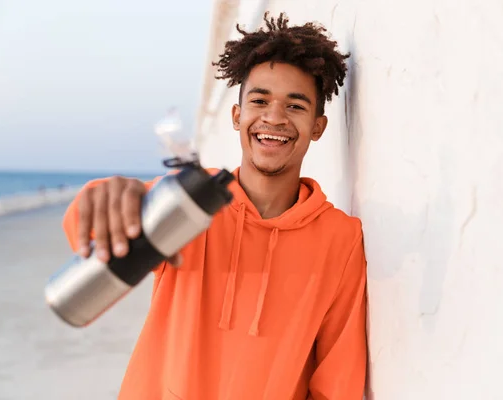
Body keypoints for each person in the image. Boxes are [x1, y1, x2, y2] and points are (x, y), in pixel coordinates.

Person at [61, 12, 368, 400]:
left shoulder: (341, 239)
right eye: (260, 100)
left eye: (295, 106)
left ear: (318, 127)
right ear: (237, 117)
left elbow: (337, 382)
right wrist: (102, 197)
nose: (273, 117)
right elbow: (90, 233)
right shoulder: (191, 200)